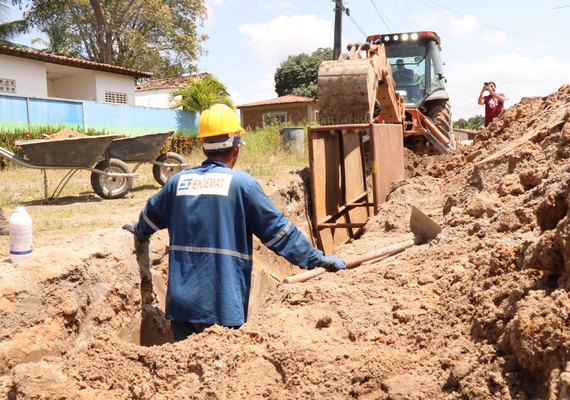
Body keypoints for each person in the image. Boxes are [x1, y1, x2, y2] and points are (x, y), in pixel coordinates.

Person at [123, 104, 346, 342]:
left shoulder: (179, 182)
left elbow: (149, 216)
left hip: (182, 304)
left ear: (203, 146)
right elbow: (279, 233)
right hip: (222, 304)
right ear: (236, 149)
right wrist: (315, 259)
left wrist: (139, 232)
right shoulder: (242, 186)